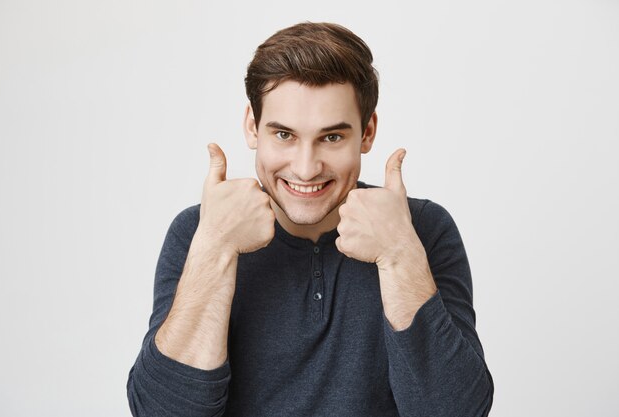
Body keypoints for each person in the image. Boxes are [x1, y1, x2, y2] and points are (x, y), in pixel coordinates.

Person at [126, 22, 494, 417]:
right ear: (253, 127)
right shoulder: (199, 232)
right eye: (284, 135)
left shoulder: (422, 229)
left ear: (367, 133)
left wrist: (400, 254)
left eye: (331, 138)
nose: (305, 168)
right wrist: (215, 248)